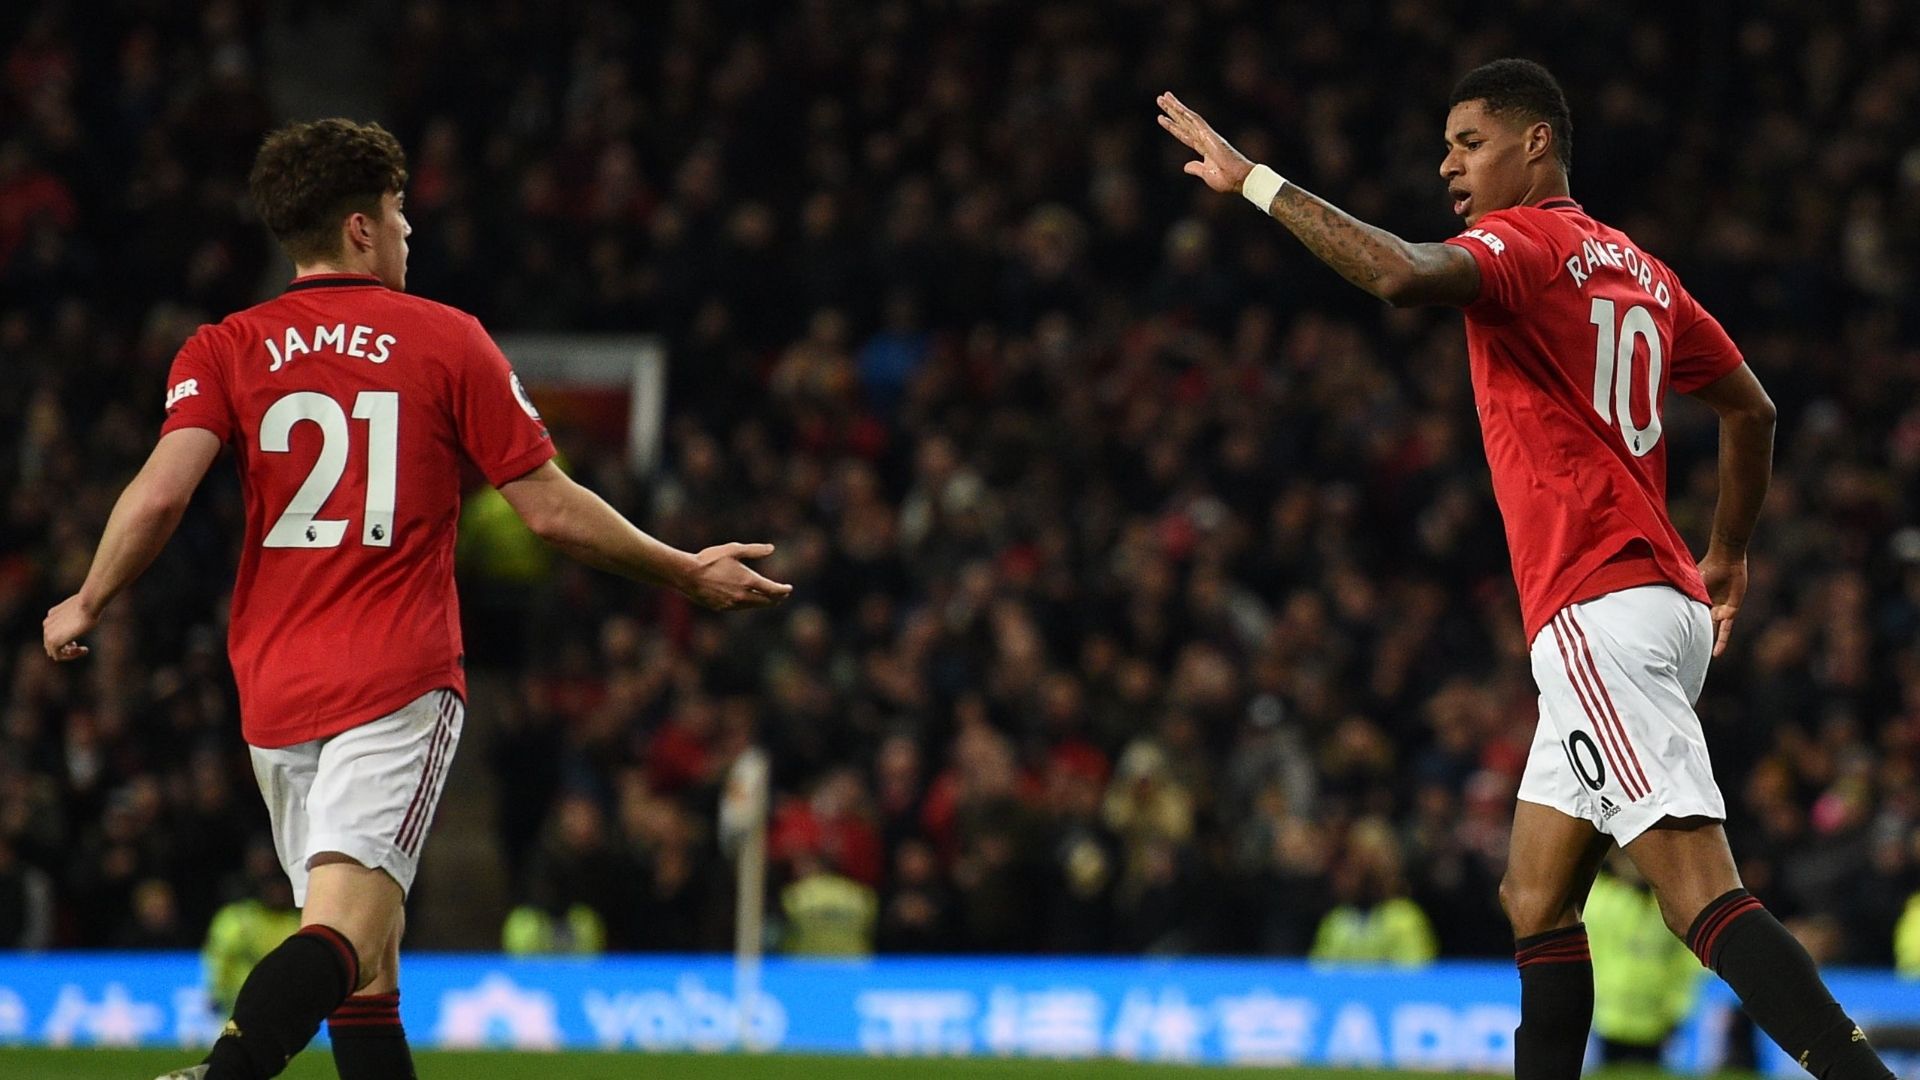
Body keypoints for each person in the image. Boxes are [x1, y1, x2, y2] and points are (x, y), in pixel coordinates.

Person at [1157, 58, 1893, 1080]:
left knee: (1695, 891)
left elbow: (1398, 274)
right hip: (1656, 599)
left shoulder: (1526, 244)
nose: (1446, 165)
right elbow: (1751, 409)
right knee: (1536, 898)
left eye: (1469, 142)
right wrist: (1727, 553)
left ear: (1536, 141)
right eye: (1445, 148)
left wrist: (1256, 182)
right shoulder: (1640, 268)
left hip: (1598, 606)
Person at [41, 118, 792, 1080]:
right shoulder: (446, 338)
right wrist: (683, 569)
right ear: (361, 227)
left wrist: (89, 597)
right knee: (349, 935)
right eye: (399, 213)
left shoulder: (225, 347)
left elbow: (159, 494)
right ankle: (225, 1076)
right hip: (394, 676)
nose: (408, 232)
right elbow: (549, 510)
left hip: (272, 684)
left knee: (369, 968)